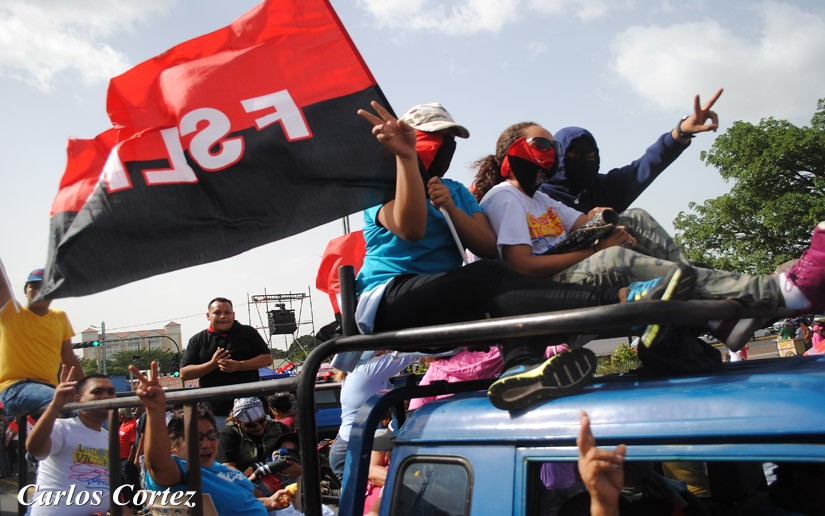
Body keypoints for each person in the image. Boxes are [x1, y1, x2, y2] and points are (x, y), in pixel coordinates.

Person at [354, 101, 683, 412]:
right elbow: (411, 229)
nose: (446, 146)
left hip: (445, 300)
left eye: (451, 140)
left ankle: (520, 369)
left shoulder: (455, 191)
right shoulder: (381, 188)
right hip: (390, 299)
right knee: (486, 276)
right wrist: (407, 161)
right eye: (438, 138)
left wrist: (451, 209)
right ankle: (622, 299)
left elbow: (486, 245)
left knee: (498, 287)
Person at [474, 121, 825, 355]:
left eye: (553, 145)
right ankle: (775, 290)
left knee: (634, 218)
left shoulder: (540, 199)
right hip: (543, 288)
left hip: (568, 268)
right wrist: (598, 248)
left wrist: (603, 221)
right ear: (513, 150)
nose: (551, 152)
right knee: (613, 256)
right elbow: (522, 267)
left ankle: (706, 310)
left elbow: (587, 218)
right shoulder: (505, 197)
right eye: (541, 144)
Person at [131, 361, 295, 515]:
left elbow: (241, 503)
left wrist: (269, 502)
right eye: (196, 438)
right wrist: (155, 410)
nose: (206, 444)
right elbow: (157, 465)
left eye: (211, 435)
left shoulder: (219, 468)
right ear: (172, 446)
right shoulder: (182, 471)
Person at [539, 89, 723, 214]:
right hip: (561, 259)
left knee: (635, 219)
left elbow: (650, 163)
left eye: (590, 156)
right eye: (573, 155)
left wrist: (681, 132)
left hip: (614, 259)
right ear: (557, 156)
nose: (582, 162)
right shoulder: (537, 196)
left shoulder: (607, 188)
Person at [25, 367, 116, 515]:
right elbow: (35, 448)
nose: (106, 396)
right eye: (97, 392)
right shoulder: (62, 428)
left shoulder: (108, 437)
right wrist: (55, 406)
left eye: (111, 392)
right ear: (78, 400)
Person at [0, 268, 84, 418]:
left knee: (93, 409)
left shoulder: (60, 317)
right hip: (16, 387)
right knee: (64, 408)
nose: (39, 291)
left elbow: (69, 358)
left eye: (45, 287)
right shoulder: (11, 311)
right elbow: (2, 285)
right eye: (34, 287)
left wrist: (86, 387)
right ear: (25, 291)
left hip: (51, 388)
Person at [328, 351, 420, 480]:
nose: (387, 350)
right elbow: (412, 354)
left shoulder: (359, 369)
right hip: (352, 448)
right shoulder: (368, 370)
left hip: (351, 444)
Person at [180, 297, 273, 419]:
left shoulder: (248, 333)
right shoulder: (197, 340)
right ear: (208, 316)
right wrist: (212, 364)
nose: (223, 316)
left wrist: (239, 365)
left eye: (227, 312)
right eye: (217, 313)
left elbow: (267, 359)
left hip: (252, 411)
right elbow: (184, 374)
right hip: (215, 413)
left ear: (233, 315)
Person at [217, 397, 289, 476]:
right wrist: (246, 481)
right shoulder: (229, 434)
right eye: (251, 425)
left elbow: (294, 454)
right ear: (238, 422)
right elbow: (227, 467)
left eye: (262, 421)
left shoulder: (279, 428)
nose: (259, 427)